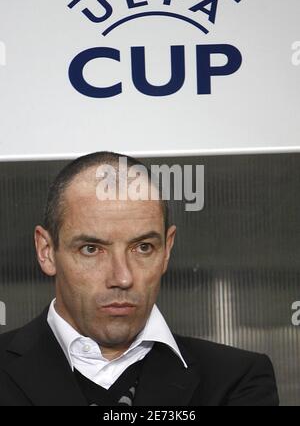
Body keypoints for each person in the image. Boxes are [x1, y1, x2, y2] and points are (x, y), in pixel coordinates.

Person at [0, 152, 279, 406]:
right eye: (91, 249)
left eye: (143, 247)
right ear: (46, 251)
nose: (122, 277)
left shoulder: (235, 379)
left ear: (167, 249)